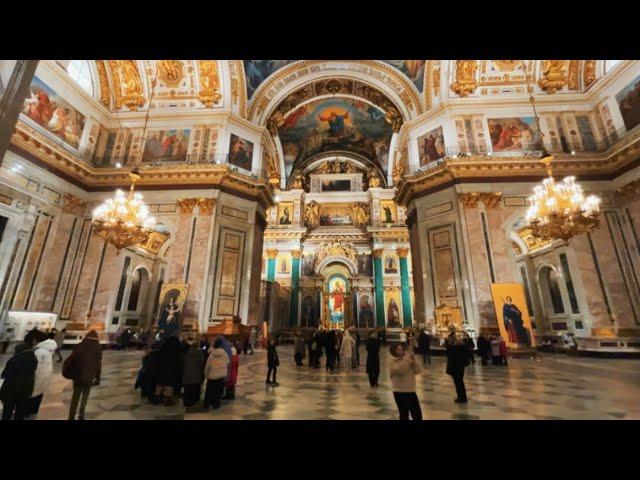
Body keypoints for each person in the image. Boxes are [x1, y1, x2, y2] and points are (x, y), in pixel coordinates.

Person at [64, 330, 102, 420]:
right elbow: (98, 364)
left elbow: (71, 359)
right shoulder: (98, 347)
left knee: (75, 397)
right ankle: (81, 415)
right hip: (89, 376)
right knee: (85, 396)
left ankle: (71, 416)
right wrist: (98, 377)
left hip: (78, 375)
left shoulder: (79, 346)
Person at [1, 340, 37, 420]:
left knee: (7, 412)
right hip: (26, 389)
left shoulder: (14, 359)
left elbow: (4, 374)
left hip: (11, 389)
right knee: (20, 412)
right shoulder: (34, 359)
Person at [389, 343, 423, 420]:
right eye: (399, 350)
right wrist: (407, 359)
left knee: (417, 415)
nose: (401, 351)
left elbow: (418, 371)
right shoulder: (392, 361)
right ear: (394, 351)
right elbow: (400, 370)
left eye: (402, 349)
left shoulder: (407, 360)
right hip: (399, 392)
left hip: (410, 391)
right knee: (404, 414)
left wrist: (414, 361)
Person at [29, 330, 57, 417]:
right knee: (39, 392)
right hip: (45, 375)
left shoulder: (39, 351)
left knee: (33, 393)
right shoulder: (48, 349)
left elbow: (33, 366)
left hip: (38, 376)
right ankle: (34, 411)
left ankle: (28, 411)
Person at [154, 336, 182, 406]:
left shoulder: (164, 346)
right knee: (169, 384)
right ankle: (168, 400)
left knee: (160, 383)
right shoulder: (176, 347)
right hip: (171, 369)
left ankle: (157, 398)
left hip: (160, 368)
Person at [203, 337, 230, 410]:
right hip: (221, 376)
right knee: (218, 392)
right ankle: (216, 404)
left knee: (209, 392)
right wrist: (226, 374)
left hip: (212, 376)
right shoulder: (224, 353)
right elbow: (228, 363)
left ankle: (207, 404)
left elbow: (207, 366)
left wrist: (206, 375)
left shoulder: (211, 354)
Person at [445, 325, 469, 403]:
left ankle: (461, 397)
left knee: (458, 382)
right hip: (460, 366)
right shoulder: (462, 347)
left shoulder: (453, 349)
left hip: (455, 367)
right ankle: (462, 396)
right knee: (460, 382)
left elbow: (449, 351)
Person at [181, 337, 205, 408]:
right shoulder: (200, 353)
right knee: (195, 389)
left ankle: (187, 402)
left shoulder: (186, 353)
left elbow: (183, 363)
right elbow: (202, 363)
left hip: (187, 374)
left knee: (187, 389)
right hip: (196, 374)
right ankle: (194, 401)